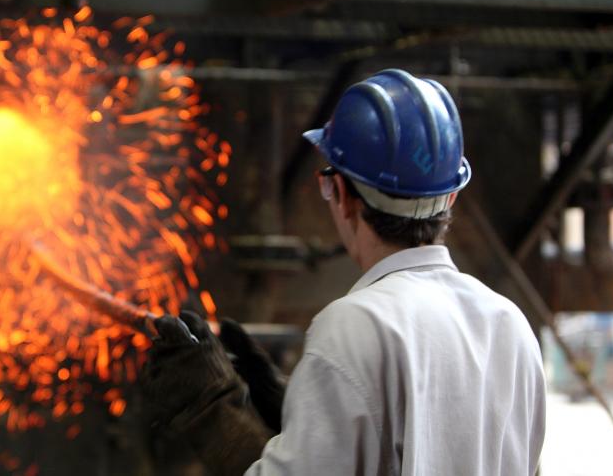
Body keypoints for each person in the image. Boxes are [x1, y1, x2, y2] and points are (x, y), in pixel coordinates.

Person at [141, 69, 547, 475]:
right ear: (452, 195)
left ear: (344, 197)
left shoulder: (355, 326)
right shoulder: (510, 326)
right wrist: (301, 419)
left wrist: (210, 407)